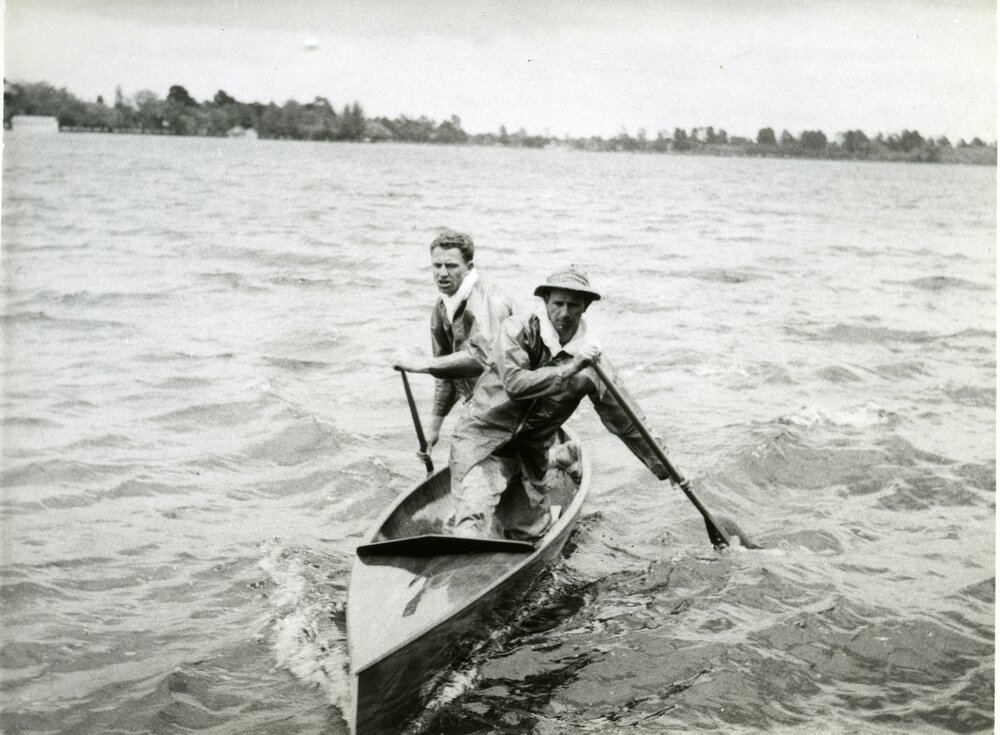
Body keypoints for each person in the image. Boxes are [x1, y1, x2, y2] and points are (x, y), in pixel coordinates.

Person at [447, 265, 674, 540]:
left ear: (585, 308)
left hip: (530, 456)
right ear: (545, 302)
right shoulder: (516, 330)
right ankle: (558, 459)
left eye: (573, 306)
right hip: (482, 441)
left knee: (527, 534)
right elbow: (516, 384)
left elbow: (628, 421)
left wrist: (667, 466)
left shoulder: (594, 366)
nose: (564, 313)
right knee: (470, 521)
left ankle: (557, 459)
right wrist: (570, 368)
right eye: (558, 304)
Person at [393, 230, 514, 463]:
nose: (442, 274)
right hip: (482, 400)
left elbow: (481, 358)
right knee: (468, 458)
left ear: (469, 267)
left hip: (516, 397)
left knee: (468, 459)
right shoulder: (442, 308)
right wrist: (433, 430)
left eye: (451, 266)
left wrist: (420, 365)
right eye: (436, 266)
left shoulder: (489, 301)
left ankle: (559, 456)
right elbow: (446, 376)